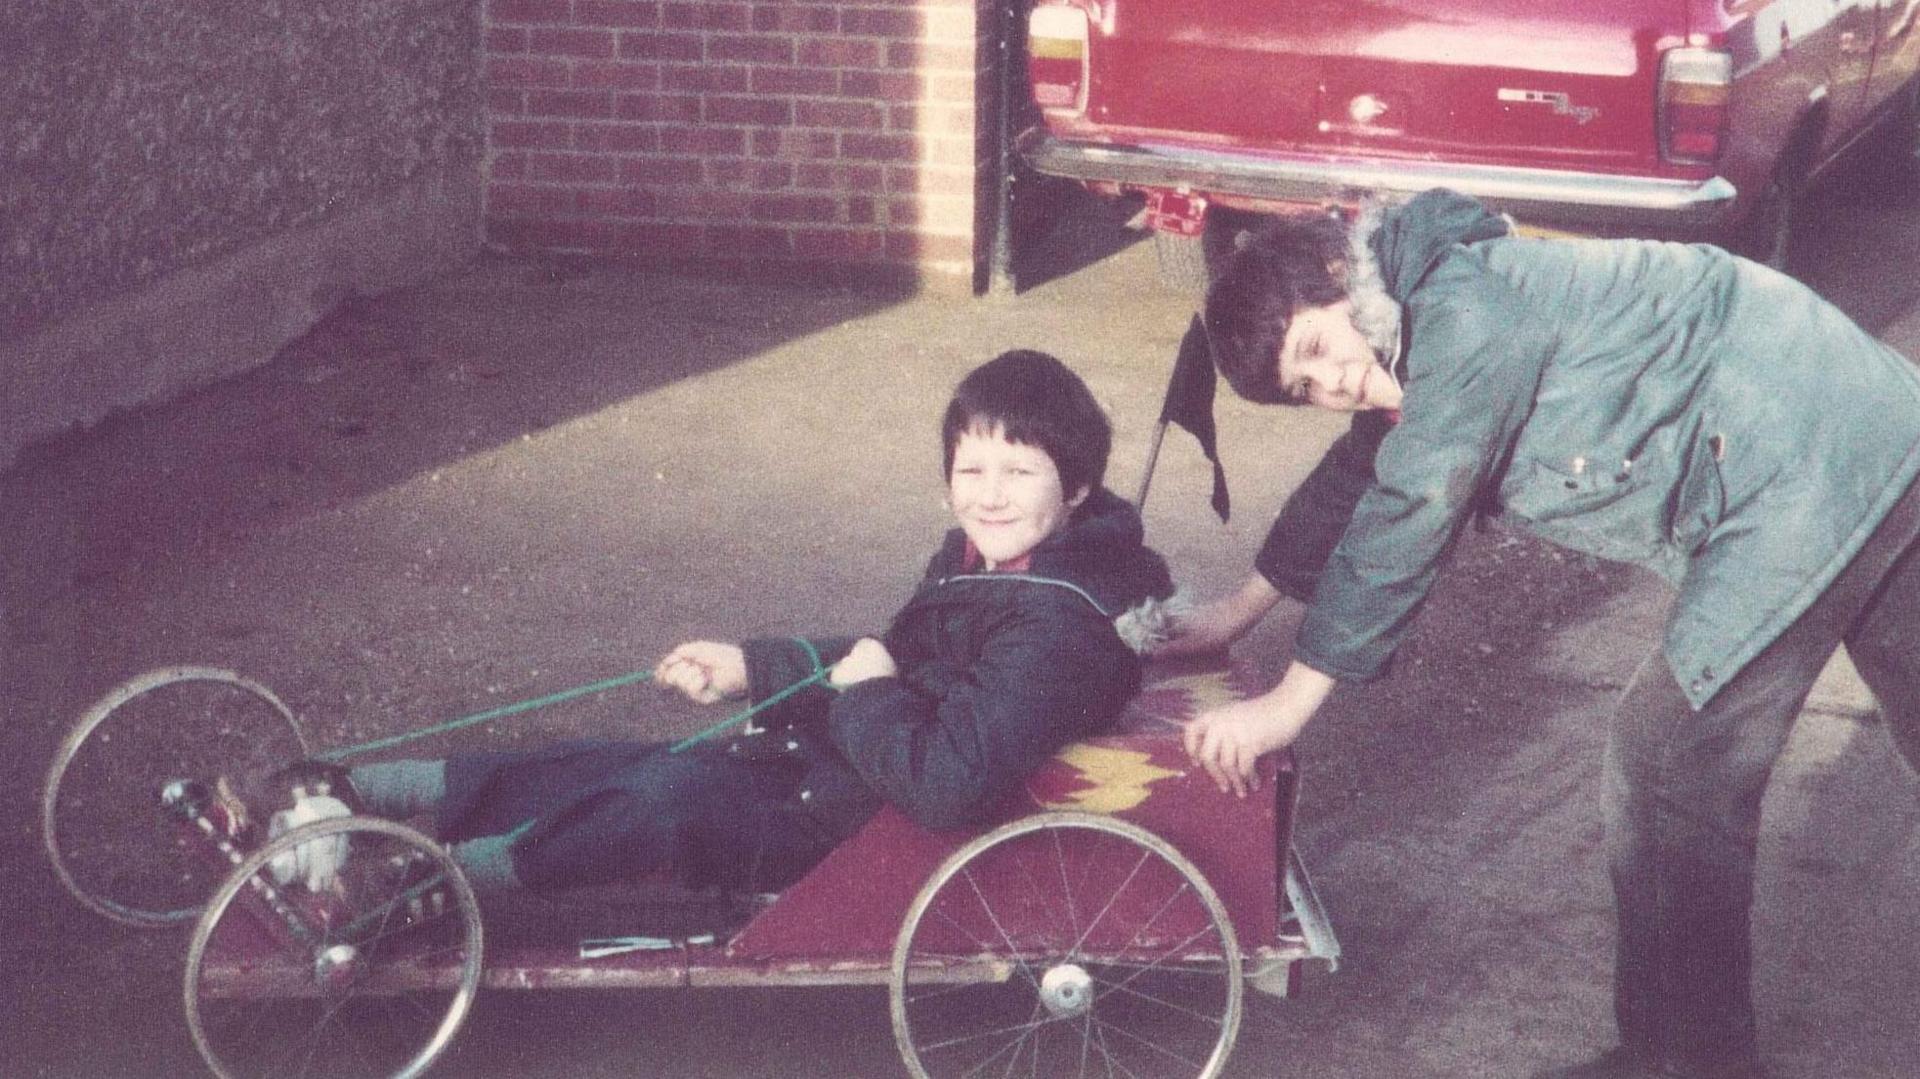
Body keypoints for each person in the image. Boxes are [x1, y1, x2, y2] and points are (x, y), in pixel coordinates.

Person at [1169, 188, 1920, 1079]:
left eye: (1316, 350)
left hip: (1800, 459)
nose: (1330, 384)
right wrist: (1232, 615)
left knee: (1667, 761)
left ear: (1337, 273)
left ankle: (1685, 1060)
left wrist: (1289, 704)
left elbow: (1416, 501)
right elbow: (1361, 476)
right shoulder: (1410, 315)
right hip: (1876, 435)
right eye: (1305, 388)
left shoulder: (1466, 310)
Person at [241, 349, 1175, 902]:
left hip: (867, 822)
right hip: (851, 771)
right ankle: (360, 790)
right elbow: (888, 661)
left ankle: (415, 884)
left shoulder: (1059, 627)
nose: (991, 496)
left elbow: (944, 778)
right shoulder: (994, 565)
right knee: (613, 762)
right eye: (972, 470)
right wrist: (753, 667)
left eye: (1020, 473)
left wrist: (868, 690)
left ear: (1079, 484)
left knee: (658, 803)